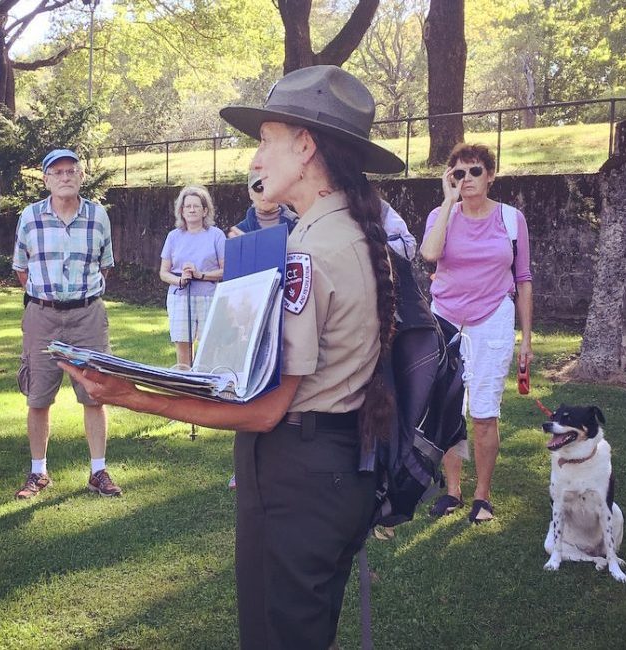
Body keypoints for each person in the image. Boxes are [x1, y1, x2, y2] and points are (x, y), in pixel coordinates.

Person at [59, 65, 404, 648]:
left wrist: (130, 396)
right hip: (338, 468)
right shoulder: (350, 231)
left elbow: (267, 410)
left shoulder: (310, 250)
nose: (254, 160)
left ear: (305, 145)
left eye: (265, 140)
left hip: (297, 472)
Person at [420, 142, 534, 524]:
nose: (466, 179)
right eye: (458, 172)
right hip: (446, 318)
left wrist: (528, 339)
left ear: (491, 176)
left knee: (484, 412)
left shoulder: (511, 219)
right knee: (447, 408)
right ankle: (452, 490)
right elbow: (429, 255)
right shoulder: (441, 214)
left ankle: (482, 496)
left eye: (474, 171)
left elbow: (524, 279)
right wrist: (449, 202)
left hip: (492, 319)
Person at [12, 149, 121, 499]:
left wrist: (77, 300)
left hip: (87, 316)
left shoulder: (97, 216)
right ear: (45, 180)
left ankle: (98, 470)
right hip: (42, 316)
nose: (64, 177)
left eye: (71, 170)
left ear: (81, 176)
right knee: (38, 396)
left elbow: (105, 265)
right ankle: (38, 472)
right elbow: (20, 268)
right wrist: (48, 300)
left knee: (94, 394)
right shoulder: (29, 217)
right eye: (56, 172)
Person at [158, 185, 225, 368]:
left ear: (205, 211)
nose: (192, 210)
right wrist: (180, 280)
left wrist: (200, 275)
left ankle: (208, 390)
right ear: (181, 211)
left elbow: (226, 271)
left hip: (208, 296)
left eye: (196, 206)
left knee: (208, 348)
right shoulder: (173, 236)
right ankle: (186, 388)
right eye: (188, 206)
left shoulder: (216, 235)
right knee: (183, 348)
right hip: (180, 297)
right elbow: (164, 272)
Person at [227, 170, 298, 238]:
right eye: (259, 188)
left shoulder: (297, 225)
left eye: (270, 186)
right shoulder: (238, 232)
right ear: (250, 194)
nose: (265, 194)